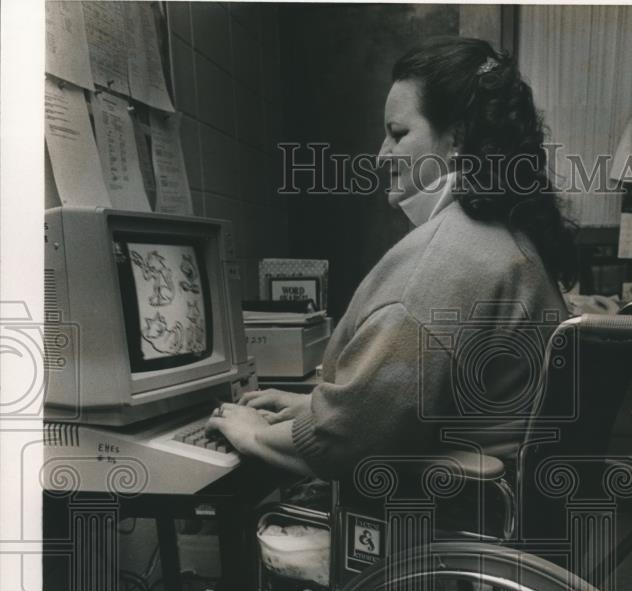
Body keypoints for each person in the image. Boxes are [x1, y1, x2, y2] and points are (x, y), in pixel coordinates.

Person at [209, 34, 575, 483]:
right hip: (511, 499)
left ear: (458, 136)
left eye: (397, 134)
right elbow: (416, 400)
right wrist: (311, 405)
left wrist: (255, 436)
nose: (382, 154)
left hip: (450, 512)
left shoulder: (448, 257)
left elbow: (349, 442)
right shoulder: (506, 236)